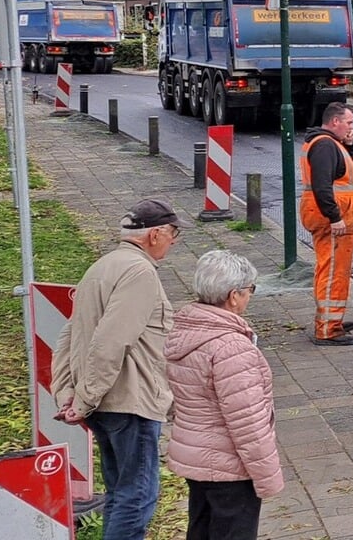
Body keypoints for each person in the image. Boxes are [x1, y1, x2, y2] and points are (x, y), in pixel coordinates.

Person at [51, 199, 179, 540]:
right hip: (129, 401)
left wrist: (70, 393)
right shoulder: (139, 273)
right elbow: (111, 341)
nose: (174, 241)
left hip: (105, 403)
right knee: (137, 497)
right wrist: (83, 399)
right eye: (173, 233)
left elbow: (70, 335)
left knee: (120, 493)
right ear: (155, 234)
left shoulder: (102, 267)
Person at [164, 250, 284, 540]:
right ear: (233, 295)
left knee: (201, 529)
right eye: (249, 290)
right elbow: (249, 423)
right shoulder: (231, 347)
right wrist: (268, 477)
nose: (249, 297)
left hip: (196, 460)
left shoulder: (186, 331)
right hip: (230, 467)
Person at [299, 103, 353, 345]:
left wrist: (349, 146)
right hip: (332, 218)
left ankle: (332, 319)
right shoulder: (325, 145)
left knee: (333, 268)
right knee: (333, 271)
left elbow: (342, 173)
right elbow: (322, 185)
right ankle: (327, 328)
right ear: (335, 122)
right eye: (349, 123)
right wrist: (334, 217)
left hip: (333, 216)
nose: (351, 127)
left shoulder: (329, 144)